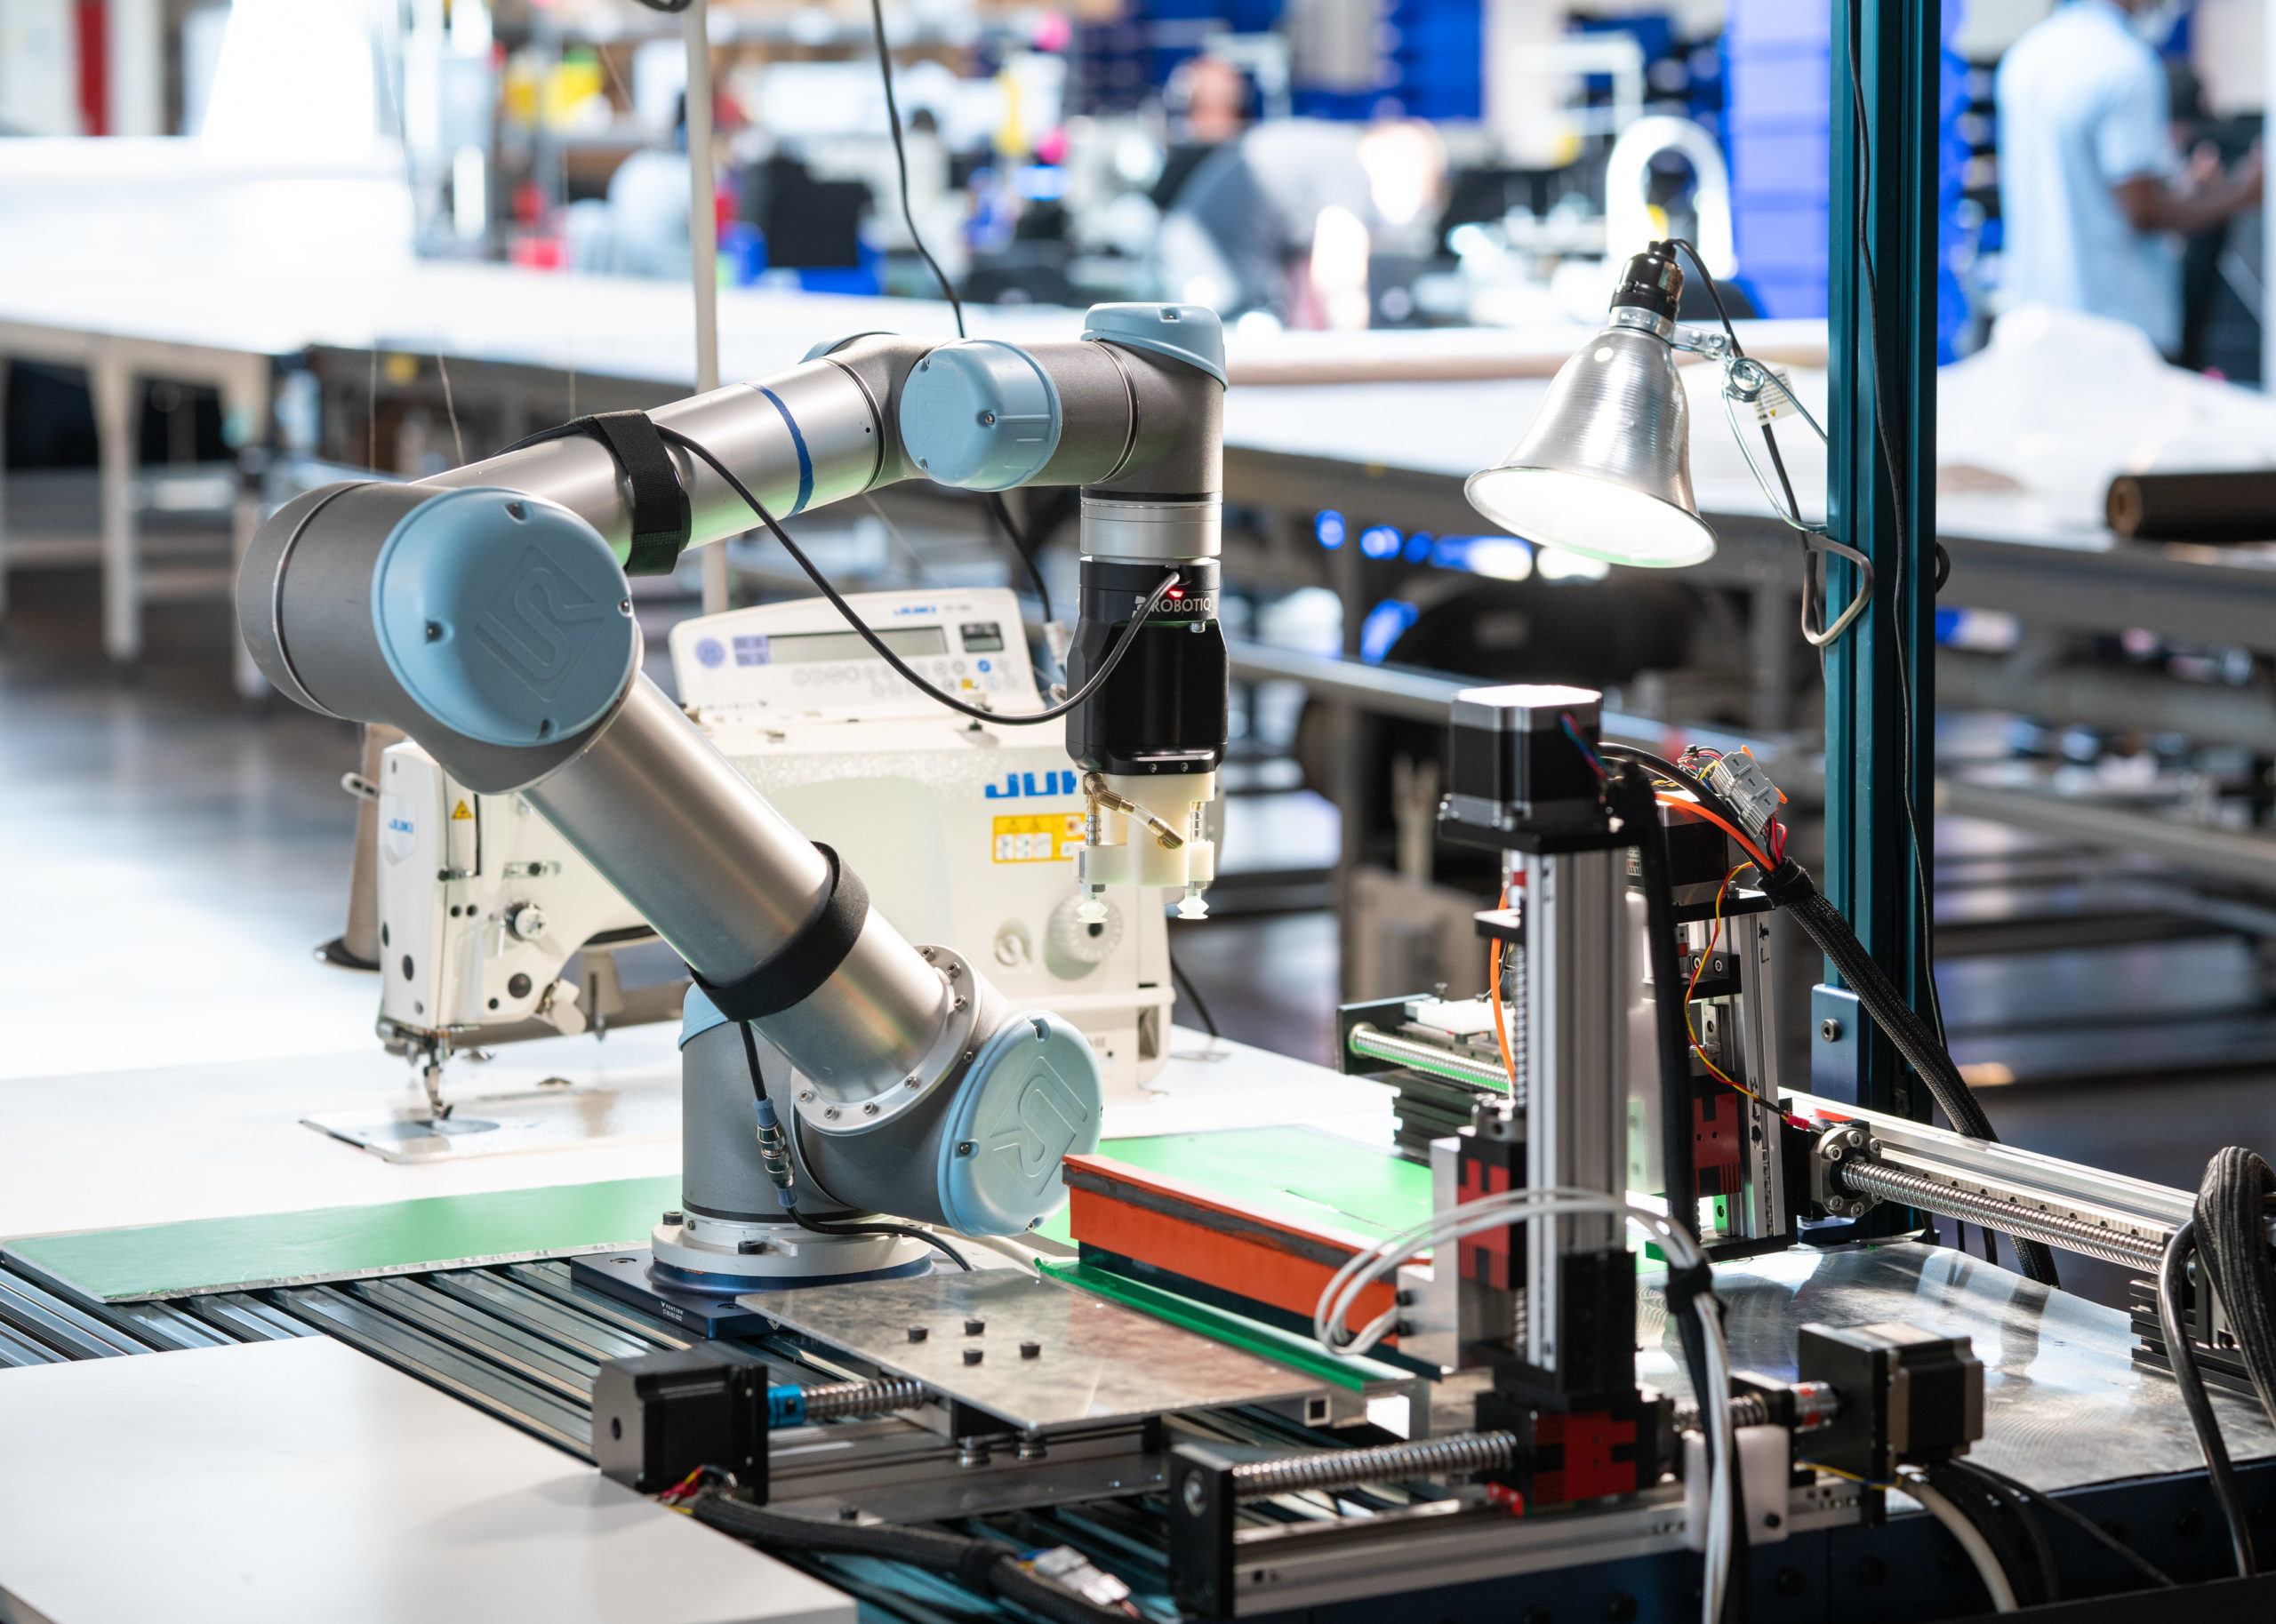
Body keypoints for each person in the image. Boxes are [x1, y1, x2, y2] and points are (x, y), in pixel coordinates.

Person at [1996, 0, 2261, 359]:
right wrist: (2243, 192)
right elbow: (2143, 212)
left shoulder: (2026, 56)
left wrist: (2187, 192)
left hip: (2038, 321)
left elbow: (2090, 194)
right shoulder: (2125, 65)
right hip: (2115, 332)